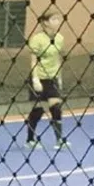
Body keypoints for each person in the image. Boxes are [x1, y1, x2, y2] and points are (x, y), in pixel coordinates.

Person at [25, 9, 69, 149]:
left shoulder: (60, 38)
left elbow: (58, 59)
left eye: (58, 19)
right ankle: (30, 140)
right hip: (39, 78)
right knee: (39, 109)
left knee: (56, 107)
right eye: (54, 19)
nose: (57, 22)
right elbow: (33, 60)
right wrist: (35, 79)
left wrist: (59, 77)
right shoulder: (37, 39)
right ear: (45, 22)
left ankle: (59, 140)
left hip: (52, 78)